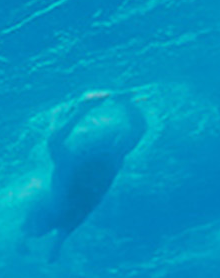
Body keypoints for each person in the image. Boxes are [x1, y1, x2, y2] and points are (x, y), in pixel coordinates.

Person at [21, 90, 146, 262]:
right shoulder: (65, 220)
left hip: (79, 181)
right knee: (57, 146)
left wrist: (35, 245)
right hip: (87, 181)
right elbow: (57, 241)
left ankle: (93, 107)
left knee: (56, 146)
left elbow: (57, 241)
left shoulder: (63, 217)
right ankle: (119, 103)